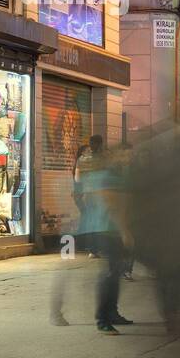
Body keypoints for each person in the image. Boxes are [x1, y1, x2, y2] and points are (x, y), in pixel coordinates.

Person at [76, 143, 132, 334]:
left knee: (114, 273)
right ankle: (102, 319)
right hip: (106, 229)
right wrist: (125, 230)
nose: (127, 159)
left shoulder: (119, 174)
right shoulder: (108, 176)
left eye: (129, 156)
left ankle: (112, 312)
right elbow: (112, 204)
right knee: (109, 274)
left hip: (110, 229)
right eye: (124, 155)